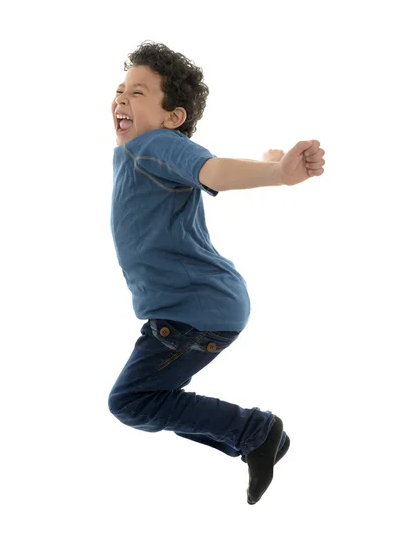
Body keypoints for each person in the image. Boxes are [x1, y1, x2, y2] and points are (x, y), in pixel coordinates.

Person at [108, 41, 326, 506]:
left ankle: (257, 432)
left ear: (174, 117)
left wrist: (280, 176)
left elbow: (210, 170)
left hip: (194, 310)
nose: (122, 99)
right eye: (121, 90)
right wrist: (268, 163)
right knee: (137, 399)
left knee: (132, 401)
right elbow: (212, 169)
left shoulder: (156, 145)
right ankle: (255, 436)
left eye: (139, 92)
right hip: (191, 308)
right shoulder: (139, 153)